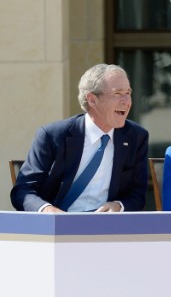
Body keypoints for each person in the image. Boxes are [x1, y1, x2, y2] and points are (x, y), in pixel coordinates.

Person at [11, 64, 149, 212]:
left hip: (106, 228)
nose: (126, 101)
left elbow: (138, 194)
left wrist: (118, 206)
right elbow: (23, 190)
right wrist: (47, 210)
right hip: (58, 227)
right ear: (92, 100)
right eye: (117, 93)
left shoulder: (136, 136)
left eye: (128, 93)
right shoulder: (53, 136)